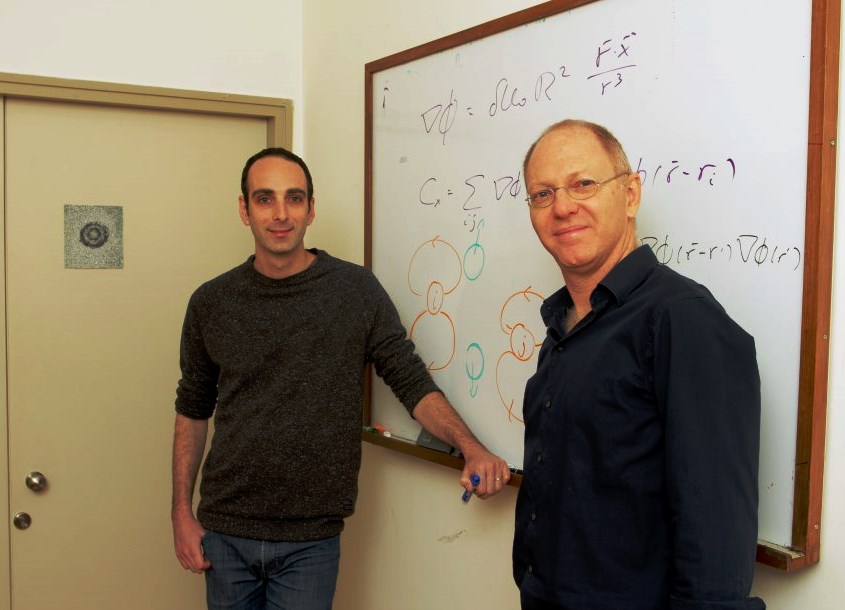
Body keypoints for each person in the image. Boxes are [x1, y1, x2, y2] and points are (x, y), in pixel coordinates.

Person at [171, 146, 511, 610]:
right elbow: (192, 409)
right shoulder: (211, 302)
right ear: (244, 210)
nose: (280, 213)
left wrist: (470, 446)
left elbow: (410, 381)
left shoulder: (355, 291)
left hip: (311, 540)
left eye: (294, 198)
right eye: (265, 198)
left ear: (311, 209)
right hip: (226, 531)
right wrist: (180, 512)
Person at [513, 120, 765, 610]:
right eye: (543, 194)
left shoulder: (682, 319)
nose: (562, 207)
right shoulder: (562, 326)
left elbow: (715, 526)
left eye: (583, 184)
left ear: (630, 195)